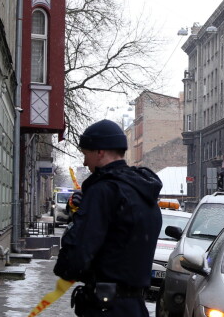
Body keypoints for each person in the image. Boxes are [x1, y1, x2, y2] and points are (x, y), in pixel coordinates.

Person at [54, 119, 163, 316]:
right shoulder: (144, 191)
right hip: (135, 306)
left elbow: (76, 257)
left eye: (86, 154)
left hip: (105, 307)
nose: (85, 162)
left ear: (100, 152)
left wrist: (78, 220)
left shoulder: (104, 191)